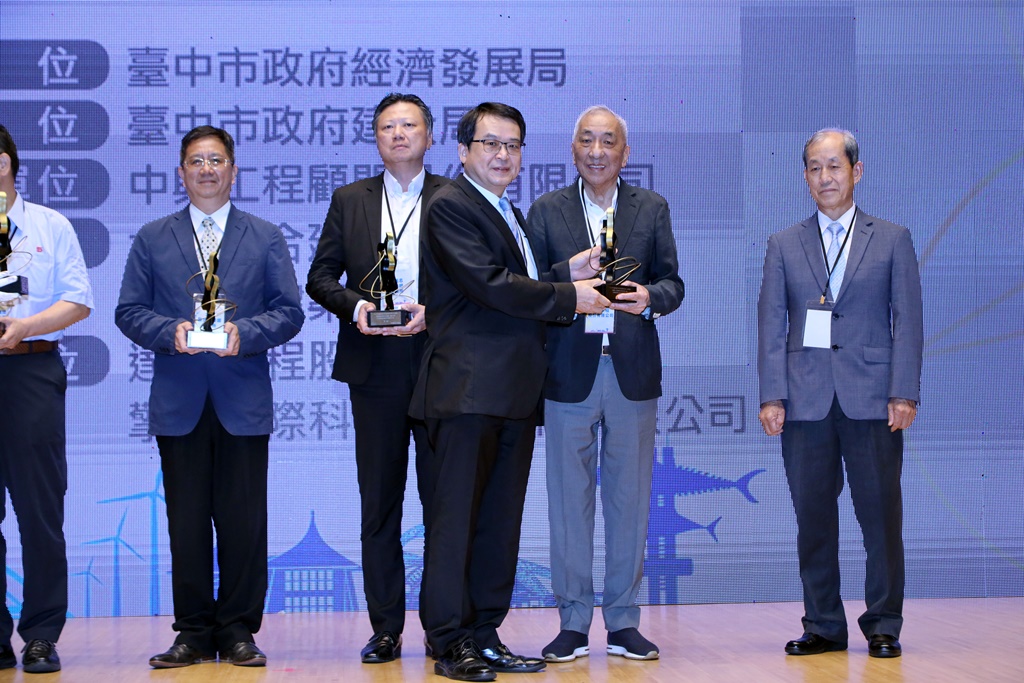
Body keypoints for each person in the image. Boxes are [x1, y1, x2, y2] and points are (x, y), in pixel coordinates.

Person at [409, 102, 608, 682]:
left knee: (497, 524)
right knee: (455, 525)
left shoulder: (505, 209)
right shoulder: (450, 205)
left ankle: (484, 633)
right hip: (466, 393)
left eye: (513, 145)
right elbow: (489, 285)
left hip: (512, 394)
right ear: (463, 150)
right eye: (491, 144)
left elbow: (514, 281)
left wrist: (564, 273)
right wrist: (571, 298)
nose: (503, 155)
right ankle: (450, 641)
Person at [115, 126, 304, 669]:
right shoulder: (153, 236)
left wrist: (247, 333)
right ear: (181, 173)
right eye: (196, 161)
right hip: (180, 401)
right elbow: (128, 311)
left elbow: (288, 311)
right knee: (187, 524)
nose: (206, 169)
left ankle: (239, 630)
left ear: (233, 170)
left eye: (216, 160)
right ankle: (193, 632)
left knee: (244, 524)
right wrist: (168, 330)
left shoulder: (264, 235)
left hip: (242, 399)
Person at [757, 128, 923, 659]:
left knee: (880, 518)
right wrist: (772, 396)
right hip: (804, 402)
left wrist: (904, 392)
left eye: (834, 166)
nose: (825, 177)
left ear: (857, 171)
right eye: (814, 167)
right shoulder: (784, 243)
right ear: (804, 177)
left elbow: (908, 322)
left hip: (873, 399)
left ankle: (883, 624)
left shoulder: (892, 238)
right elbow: (771, 325)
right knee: (813, 520)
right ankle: (824, 624)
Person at [526, 105, 684, 663]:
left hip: (631, 370)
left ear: (625, 152)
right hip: (567, 371)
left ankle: (622, 621)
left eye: (608, 141)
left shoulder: (651, 207)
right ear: (573, 150)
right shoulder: (546, 211)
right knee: (569, 503)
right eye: (587, 141)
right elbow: (527, 286)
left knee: (629, 501)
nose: (597, 151)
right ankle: (572, 622)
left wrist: (650, 299)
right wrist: (564, 276)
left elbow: (673, 282)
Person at [306, 92, 447, 664]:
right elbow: (320, 276)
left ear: (429, 136)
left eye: (409, 125)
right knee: (380, 504)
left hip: (439, 363)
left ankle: (443, 627)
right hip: (374, 367)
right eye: (388, 126)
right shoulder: (351, 199)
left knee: (443, 504)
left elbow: (479, 279)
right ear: (376, 137)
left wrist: (434, 312)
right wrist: (357, 306)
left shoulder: (454, 197)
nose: (398, 134)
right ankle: (386, 628)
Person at [0, 124, 93, 674]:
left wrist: (25, 326)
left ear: (7, 162)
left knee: (39, 510)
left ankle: (40, 634)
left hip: (30, 368)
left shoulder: (49, 224)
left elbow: (77, 300)